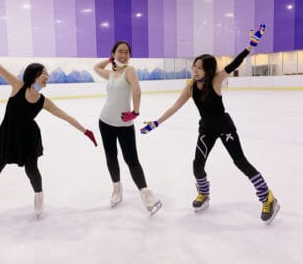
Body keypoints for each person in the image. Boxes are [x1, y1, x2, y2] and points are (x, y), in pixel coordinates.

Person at [141, 25, 280, 224]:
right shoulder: (190, 87)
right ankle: (204, 194)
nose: (195, 70)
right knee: (197, 165)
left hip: (224, 126)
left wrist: (250, 46)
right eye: (194, 66)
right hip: (206, 128)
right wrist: (155, 123)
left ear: (208, 70)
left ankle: (267, 197)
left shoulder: (216, 80)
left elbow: (234, 64)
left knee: (240, 161)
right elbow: (174, 107)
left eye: (200, 67)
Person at [0, 32, 97, 221]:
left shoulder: (43, 101)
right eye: (44, 74)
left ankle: (39, 198)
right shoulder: (18, 86)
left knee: (32, 170)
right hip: (9, 136)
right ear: (34, 76)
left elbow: (65, 116)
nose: (47, 76)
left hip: (29, 138)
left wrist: (85, 130)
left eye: (47, 74)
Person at [93, 40, 162, 216]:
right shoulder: (112, 73)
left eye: (126, 52)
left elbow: (137, 91)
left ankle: (147, 195)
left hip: (124, 124)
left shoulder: (129, 71)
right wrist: (110, 60)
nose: (123, 55)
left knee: (132, 160)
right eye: (120, 52)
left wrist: (135, 112)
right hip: (105, 121)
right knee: (111, 156)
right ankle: (117, 188)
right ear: (114, 54)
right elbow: (96, 67)